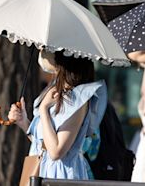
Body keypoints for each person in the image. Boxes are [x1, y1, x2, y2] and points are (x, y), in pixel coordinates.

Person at [8, 50, 108, 180]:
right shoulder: (54, 92)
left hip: (60, 175)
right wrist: (24, 122)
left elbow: (56, 151)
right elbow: (44, 143)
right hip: (41, 170)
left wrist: (44, 109)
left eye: (49, 49)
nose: (43, 51)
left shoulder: (79, 99)